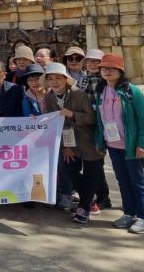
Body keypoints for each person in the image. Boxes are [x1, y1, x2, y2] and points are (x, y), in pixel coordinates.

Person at [95, 53, 144, 234]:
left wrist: (142, 144)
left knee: (137, 181)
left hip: (131, 145)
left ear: (120, 71)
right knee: (122, 181)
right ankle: (129, 213)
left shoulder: (131, 91)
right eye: (104, 68)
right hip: (113, 145)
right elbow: (100, 119)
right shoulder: (101, 91)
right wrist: (100, 140)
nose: (107, 71)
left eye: (111, 68)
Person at [43, 62, 104, 225]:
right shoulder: (49, 98)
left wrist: (72, 114)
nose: (54, 82)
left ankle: (83, 208)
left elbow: (91, 118)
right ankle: (89, 201)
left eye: (58, 78)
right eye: (50, 79)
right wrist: (66, 146)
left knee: (91, 175)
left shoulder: (79, 94)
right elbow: (53, 123)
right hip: (69, 142)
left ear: (66, 79)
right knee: (71, 172)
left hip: (90, 141)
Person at [76, 48, 111, 209]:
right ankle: (99, 195)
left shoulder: (107, 80)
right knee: (93, 162)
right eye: (90, 61)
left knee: (97, 161)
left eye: (97, 61)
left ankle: (103, 196)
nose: (93, 64)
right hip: (86, 124)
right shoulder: (83, 79)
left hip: (102, 124)